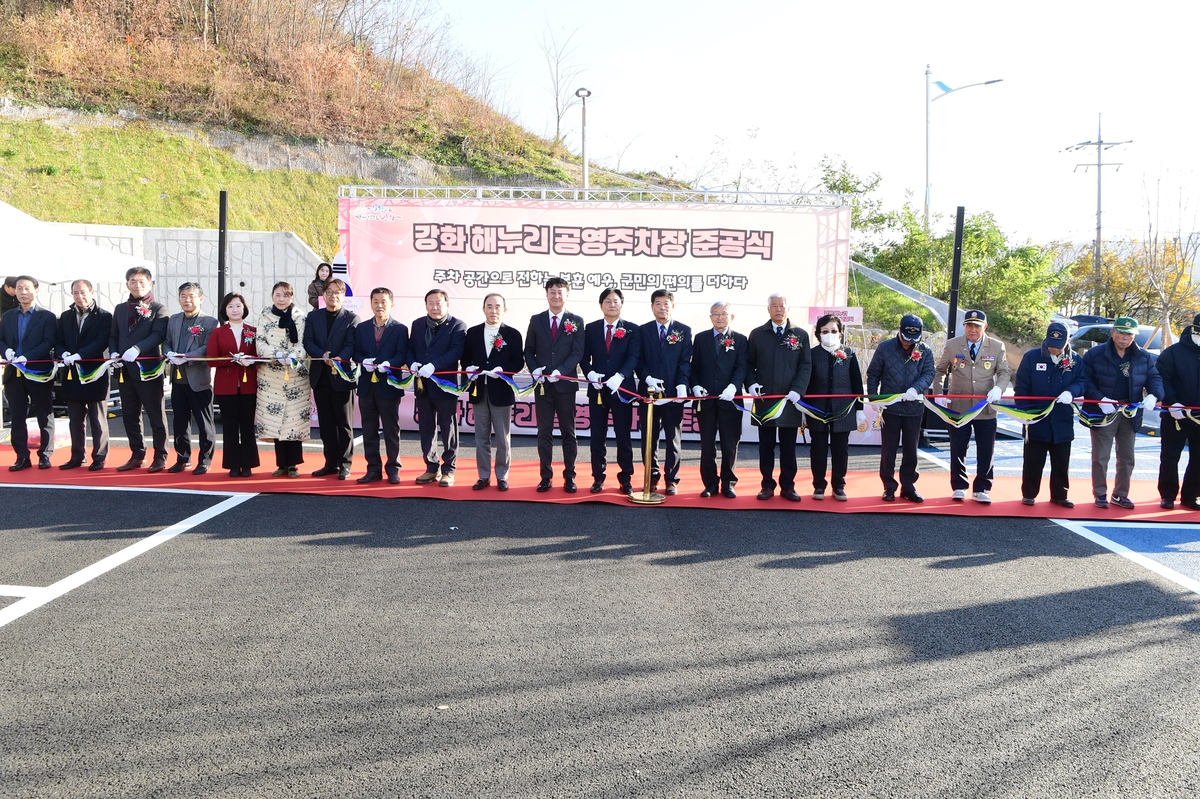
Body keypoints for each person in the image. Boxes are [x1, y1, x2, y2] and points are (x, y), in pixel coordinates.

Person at [1081, 316, 1162, 509]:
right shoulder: (1095, 354)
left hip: (1129, 412)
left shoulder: (1143, 356)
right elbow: (1085, 380)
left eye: (1129, 334)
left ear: (1134, 336)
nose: (1125, 338)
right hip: (1103, 411)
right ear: (1113, 333)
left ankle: (1120, 494)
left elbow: (1154, 378)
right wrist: (1100, 399)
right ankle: (1100, 493)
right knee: (1100, 456)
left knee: (1127, 458)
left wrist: (1154, 394)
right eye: (1121, 333)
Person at [932, 309, 1011, 503]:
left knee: (986, 449)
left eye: (976, 326)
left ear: (985, 327)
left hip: (986, 405)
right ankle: (959, 486)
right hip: (959, 406)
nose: (972, 330)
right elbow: (940, 370)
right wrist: (938, 393)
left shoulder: (996, 346)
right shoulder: (952, 345)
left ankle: (982, 487)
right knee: (958, 447)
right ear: (964, 327)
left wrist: (999, 389)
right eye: (969, 325)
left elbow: (1004, 372)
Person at [746, 293, 811, 502]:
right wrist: (751, 384)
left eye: (782, 306)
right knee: (766, 446)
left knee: (789, 446)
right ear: (768, 310)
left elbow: (805, 365)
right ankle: (767, 485)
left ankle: (788, 486)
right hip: (765, 400)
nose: (778, 309)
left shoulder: (800, 334)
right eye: (774, 306)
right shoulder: (757, 334)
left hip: (789, 400)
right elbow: (748, 364)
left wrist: (798, 389)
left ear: (788, 308)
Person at [1014, 321, 1086, 508]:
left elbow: (1082, 381)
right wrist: (1024, 411)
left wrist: (1071, 392)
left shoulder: (1075, 360)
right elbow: (1021, 386)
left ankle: (1060, 494)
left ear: (1067, 341)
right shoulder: (1032, 357)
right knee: (1033, 460)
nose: (1054, 349)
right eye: (1051, 345)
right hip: (1037, 417)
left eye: (1059, 345)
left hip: (1062, 418)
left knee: (1061, 460)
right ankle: (1029, 493)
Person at [525, 277, 587, 493]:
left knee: (568, 432)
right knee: (544, 432)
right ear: (546, 294)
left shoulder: (576, 320)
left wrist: (561, 371)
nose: (556, 296)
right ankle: (545, 476)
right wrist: (534, 370)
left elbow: (578, 352)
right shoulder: (536, 319)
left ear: (567, 294)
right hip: (543, 386)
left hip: (565, 385)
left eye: (560, 292)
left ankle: (569, 476)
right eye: (552, 292)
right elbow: (529, 350)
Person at [867, 313, 935, 502]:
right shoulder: (884, 348)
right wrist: (874, 398)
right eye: (906, 338)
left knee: (911, 449)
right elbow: (873, 374)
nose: (908, 343)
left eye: (912, 340)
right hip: (890, 407)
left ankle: (908, 486)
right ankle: (889, 486)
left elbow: (929, 373)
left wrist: (916, 388)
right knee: (888, 449)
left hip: (914, 408)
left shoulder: (925, 350)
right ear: (899, 330)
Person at [462, 293, 525, 491]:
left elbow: (518, 361)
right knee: (481, 437)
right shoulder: (472, 333)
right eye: (489, 306)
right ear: (483, 309)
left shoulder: (512, 334)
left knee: (502, 438)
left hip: (501, 391)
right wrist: (469, 369)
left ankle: (502, 475)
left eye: (498, 307)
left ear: (504, 310)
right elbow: (465, 359)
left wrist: (503, 371)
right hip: (479, 390)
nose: (493, 311)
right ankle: (483, 476)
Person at [109, 266, 170, 472]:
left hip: (148, 368)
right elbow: (114, 334)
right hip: (125, 369)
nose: (137, 285)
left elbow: (158, 335)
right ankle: (137, 453)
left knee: (155, 414)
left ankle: (160, 455)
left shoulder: (159, 308)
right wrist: (114, 353)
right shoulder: (120, 308)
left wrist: (138, 348)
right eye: (133, 281)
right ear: (127, 284)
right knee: (129, 415)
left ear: (150, 283)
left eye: (142, 281)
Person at [581, 287, 641, 495]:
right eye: (607, 301)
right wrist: (590, 373)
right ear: (601, 305)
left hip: (621, 391)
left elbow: (634, 357)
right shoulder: (591, 328)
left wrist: (621, 376)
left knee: (623, 435)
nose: (612, 305)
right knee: (597, 435)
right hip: (597, 390)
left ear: (621, 305)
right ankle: (598, 477)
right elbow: (583, 357)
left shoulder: (633, 329)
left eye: (615, 301)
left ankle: (626, 478)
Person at [636, 289, 693, 495]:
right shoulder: (642, 331)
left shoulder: (684, 331)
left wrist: (681, 384)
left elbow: (685, 361)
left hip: (673, 395)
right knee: (648, 437)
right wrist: (647, 377)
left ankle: (671, 479)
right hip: (648, 394)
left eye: (666, 303)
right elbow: (638, 360)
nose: (662, 307)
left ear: (673, 306)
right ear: (652, 307)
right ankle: (651, 477)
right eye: (658, 303)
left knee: (673, 437)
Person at [689, 300, 748, 499]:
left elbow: (742, 367)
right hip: (706, 401)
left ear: (731, 317)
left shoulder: (740, 339)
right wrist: (695, 386)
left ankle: (728, 483)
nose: (720, 317)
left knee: (729, 444)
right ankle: (710, 484)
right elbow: (694, 367)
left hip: (730, 400)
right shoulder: (701, 338)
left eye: (724, 314)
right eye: (716, 314)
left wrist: (733, 386)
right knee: (707, 444)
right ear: (710, 317)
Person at [409, 289, 467, 486]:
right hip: (422, 386)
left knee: (448, 428)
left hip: (445, 386)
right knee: (426, 427)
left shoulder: (457, 325)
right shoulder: (417, 324)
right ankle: (431, 467)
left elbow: (456, 351)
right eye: (431, 303)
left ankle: (449, 470)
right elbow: (411, 349)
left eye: (439, 303)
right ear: (426, 305)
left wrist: (434, 366)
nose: (435, 307)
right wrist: (412, 363)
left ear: (447, 304)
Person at [805, 314, 864, 501]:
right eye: (825, 331)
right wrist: (803, 410)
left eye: (833, 331)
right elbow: (805, 383)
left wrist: (860, 410)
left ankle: (839, 485)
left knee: (841, 449)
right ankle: (819, 485)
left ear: (840, 333)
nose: (829, 334)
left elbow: (857, 384)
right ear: (818, 334)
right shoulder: (811, 354)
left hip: (843, 409)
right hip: (817, 409)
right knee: (818, 448)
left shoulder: (849, 353)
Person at [0, 275, 57, 470]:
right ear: (14, 291)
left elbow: (48, 342)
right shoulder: (7, 316)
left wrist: (28, 356)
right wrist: (6, 350)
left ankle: (45, 454)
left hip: (38, 371)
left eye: (27, 288)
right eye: (19, 288)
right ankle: (22, 456)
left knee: (44, 413)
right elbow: (1, 339)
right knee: (17, 416)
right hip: (13, 373)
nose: (23, 292)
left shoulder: (47, 316)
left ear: (36, 290)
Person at [303, 278, 358, 479]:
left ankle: (345, 464)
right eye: (329, 291)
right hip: (320, 376)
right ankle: (330, 463)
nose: (333, 295)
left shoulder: (352, 318)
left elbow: (351, 344)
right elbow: (308, 341)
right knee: (326, 424)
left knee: (343, 424)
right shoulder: (313, 316)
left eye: (337, 292)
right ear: (323, 294)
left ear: (343, 296)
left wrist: (339, 357)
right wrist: (321, 354)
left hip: (342, 377)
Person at [55, 279, 112, 471]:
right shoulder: (65, 316)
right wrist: (62, 353)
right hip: (72, 373)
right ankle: (77, 456)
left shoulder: (104, 316)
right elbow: (59, 340)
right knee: (75, 419)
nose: (80, 297)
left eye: (83, 292)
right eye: (75, 293)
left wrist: (80, 355)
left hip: (94, 371)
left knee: (97, 419)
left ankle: (99, 456)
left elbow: (101, 341)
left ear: (92, 292)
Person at [353, 287, 409, 484]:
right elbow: (356, 352)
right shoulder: (361, 328)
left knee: (391, 429)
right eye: (375, 301)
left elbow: (402, 354)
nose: (379, 305)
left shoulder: (400, 329)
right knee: (368, 429)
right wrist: (363, 361)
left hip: (389, 385)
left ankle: (393, 469)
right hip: (367, 385)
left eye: (383, 302)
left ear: (391, 304)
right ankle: (373, 469)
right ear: (371, 304)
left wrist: (390, 364)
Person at [255, 282, 310, 477]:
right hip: (271, 375)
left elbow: (305, 342)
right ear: (272, 296)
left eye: (286, 295)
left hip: (295, 375)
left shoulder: (300, 317)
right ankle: (281, 464)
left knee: (293, 419)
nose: (281, 299)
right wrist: (276, 353)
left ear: (292, 297)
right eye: (277, 295)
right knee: (275, 419)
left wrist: (294, 355)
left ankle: (294, 464)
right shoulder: (264, 315)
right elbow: (259, 341)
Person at [164, 282, 218, 474]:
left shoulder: (210, 322)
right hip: (178, 380)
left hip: (199, 378)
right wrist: (170, 353)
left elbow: (207, 348)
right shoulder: (173, 320)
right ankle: (182, 457)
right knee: (179, 421)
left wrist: (186, 357)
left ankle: (205, 459)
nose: (187, 300)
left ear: (200, 298)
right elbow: (167, 342)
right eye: (183, 296)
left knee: (204, 422)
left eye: (191, 296)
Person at [206, 292, 260, 477]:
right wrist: (232, 360)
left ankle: (248, 464)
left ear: (244, 308)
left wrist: (251, 360)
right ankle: (232, 464)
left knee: (246, 425)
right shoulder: (218, 332)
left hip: (248, 385)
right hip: (226, 386)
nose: (235, 309)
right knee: (229, 426)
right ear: (224, 310)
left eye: (238, 305)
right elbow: (211, 359)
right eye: (230, 306)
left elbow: (260, 357)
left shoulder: (253, 331)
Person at [1155, 313, 1200, 510]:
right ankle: (1167, 495)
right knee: (1170, 456)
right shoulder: (1173, 353)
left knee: (1199, 457)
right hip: (1175, 414)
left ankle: (1191, 495)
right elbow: (1162, 378)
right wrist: (1172, 402)